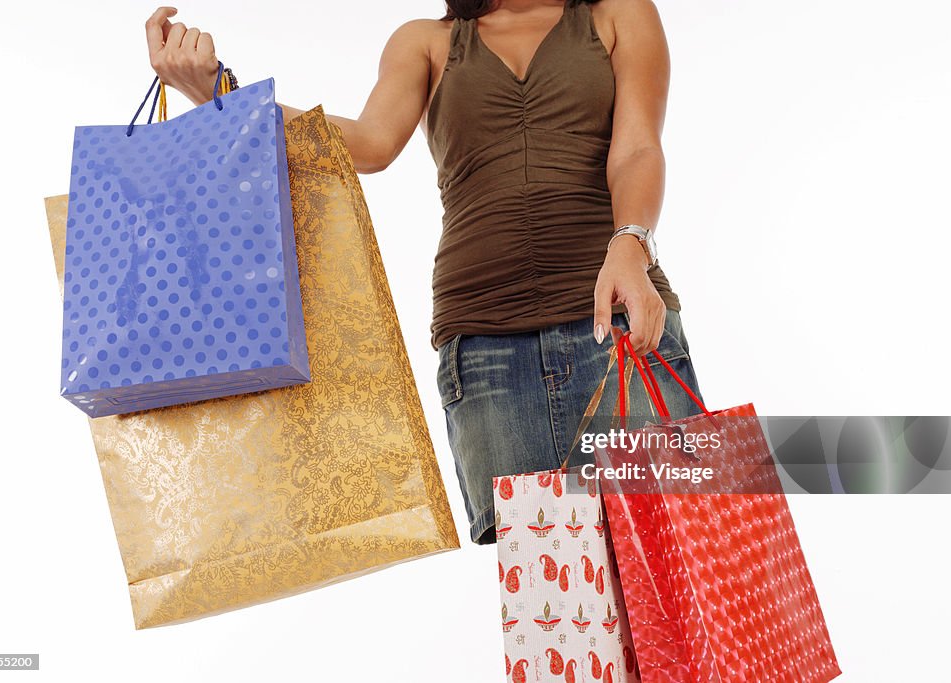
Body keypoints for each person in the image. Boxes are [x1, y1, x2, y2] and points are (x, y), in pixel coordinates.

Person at [143, 0, 706, 545]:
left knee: (675, 551)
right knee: (554, 602)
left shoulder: (618, 14)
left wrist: (632, 244)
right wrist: (222, 93)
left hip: (616, 320)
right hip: (486, 350)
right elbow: (366, 145)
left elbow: (637, 149)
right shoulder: (427, 40)